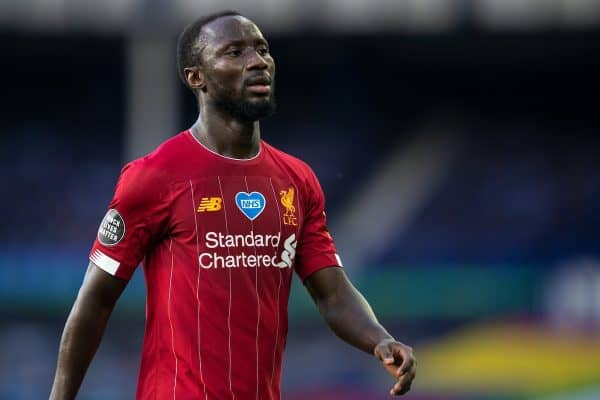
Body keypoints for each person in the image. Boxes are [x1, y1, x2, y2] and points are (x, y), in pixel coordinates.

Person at [50, 10, 416, 400]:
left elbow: (333, 294)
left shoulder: (297, 180)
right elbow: (95, 302)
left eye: (262, 49)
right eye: (235, 52)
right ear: (197, 77)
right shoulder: (153, 177)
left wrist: (379, 339)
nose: (257, 61)